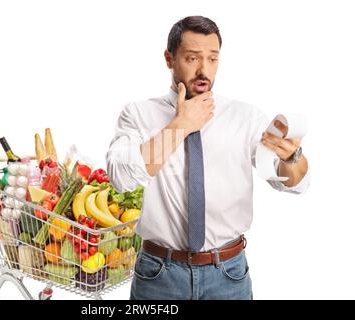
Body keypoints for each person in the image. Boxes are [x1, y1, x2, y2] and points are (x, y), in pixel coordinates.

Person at [105, 16, 310, 300]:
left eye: (213, 59)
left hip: (228, 273)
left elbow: (292, 182)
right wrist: (180, 126)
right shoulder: (138, 114)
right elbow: (121, 177)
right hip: (158, 275)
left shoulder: (245, 117)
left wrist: (293, 157)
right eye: (192, 58)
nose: (204, 70)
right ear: (169, 58)